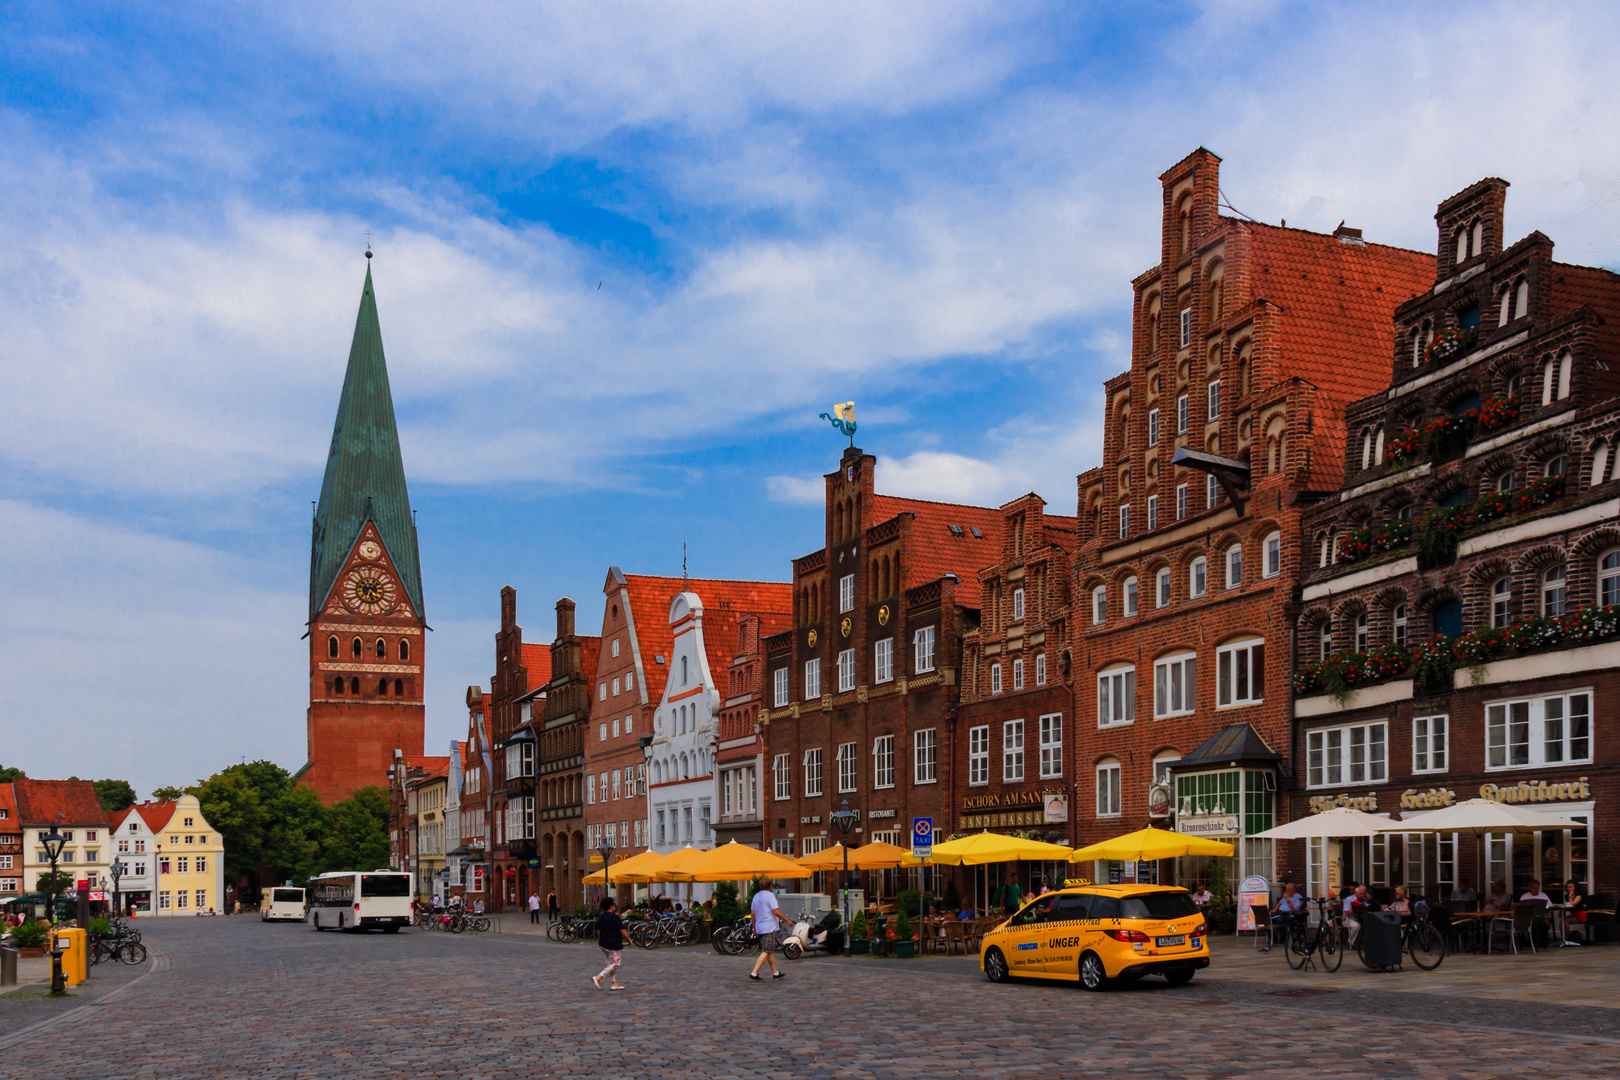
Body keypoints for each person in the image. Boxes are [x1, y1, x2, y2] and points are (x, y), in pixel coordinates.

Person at [748, 880, 788, 982]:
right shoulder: (770, 896)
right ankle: (754, 973)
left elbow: (752, 913)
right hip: (769, 927)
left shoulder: (756, 896)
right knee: (766, 951)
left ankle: (775, 973)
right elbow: (775, 911)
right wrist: (787, 920)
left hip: (760, 926)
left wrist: (754, 927)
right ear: (771, 886)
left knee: (770, 951)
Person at [592, 898, 625, 991]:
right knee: (616, 963)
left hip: (603, 944)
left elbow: (598, 931)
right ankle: (598, 977)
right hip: (613, 944)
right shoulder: (614, 917)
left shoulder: (601, 916)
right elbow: (622, 930)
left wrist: (601, 939)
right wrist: (629, 939)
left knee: (611, 964)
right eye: (614, 904)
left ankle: (614, 983)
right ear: (611, 906)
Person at [1268, 882, 1305, 952]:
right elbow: (1280, 902)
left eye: (1288, 889)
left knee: (1279, 920)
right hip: (1280, 912)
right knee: (1266, 920)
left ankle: (1283, 939)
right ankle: (1274, 939)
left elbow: (1294, 909)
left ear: (1293, 889)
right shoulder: (1286, 895)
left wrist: (1288, 899)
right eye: (1286, 889)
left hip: (1288, 914)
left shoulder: (1298, 897)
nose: (1286, 890)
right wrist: (1275, 909)